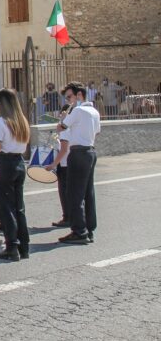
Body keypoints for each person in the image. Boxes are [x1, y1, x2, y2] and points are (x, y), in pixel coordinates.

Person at [52, 82, 101, 245]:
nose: (68, 101)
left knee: (74, 193)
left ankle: (79, 231)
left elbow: (61, 127)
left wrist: (64, 119)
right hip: (90, 151)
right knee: (88, 192)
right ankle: (89, 229)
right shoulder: (94, 111)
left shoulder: (78, 110)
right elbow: (97, 131)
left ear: (79, 95)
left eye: (70, 97)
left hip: (78, 153)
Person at [0, 88, 30, 261]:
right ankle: (24, 245)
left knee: (5, 207)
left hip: (4, 162)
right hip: (19, 162)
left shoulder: (1, 122)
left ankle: (11, 246)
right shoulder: (21, 120)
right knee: (18, 206)